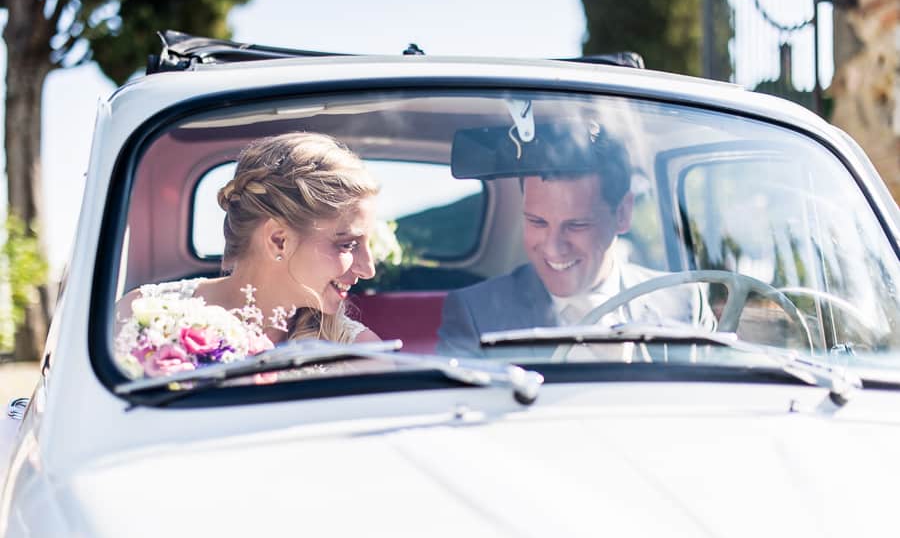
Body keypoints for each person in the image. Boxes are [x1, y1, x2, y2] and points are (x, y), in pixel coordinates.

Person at [436, 128, 715, 358]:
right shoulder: (476, 314)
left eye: (577, 225)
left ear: (622, 214)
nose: (553, 248)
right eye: (537, 222)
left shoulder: (686, 305)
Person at [116, 131, 381, 352]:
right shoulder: (141, 316)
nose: (368, 270)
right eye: (348, 244)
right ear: (279, 240)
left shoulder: (359, 355)